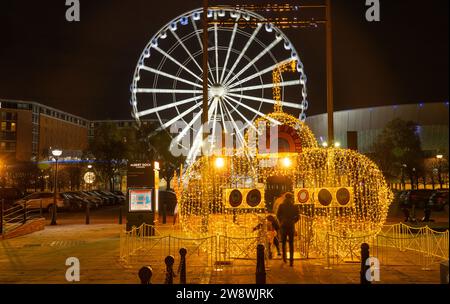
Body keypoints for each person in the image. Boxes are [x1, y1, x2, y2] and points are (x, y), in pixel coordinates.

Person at [276, 192, 299, 266]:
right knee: (291, 243)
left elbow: (278, 215)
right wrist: (293, 221)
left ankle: (284, 258)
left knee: (283, 243)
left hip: (283, 226)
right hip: (291, 226)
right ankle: (291, 261)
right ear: (291, 198)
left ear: (285, 198)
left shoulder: (281, 206)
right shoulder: (294, 206)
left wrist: (281, 221)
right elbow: (298, 216)